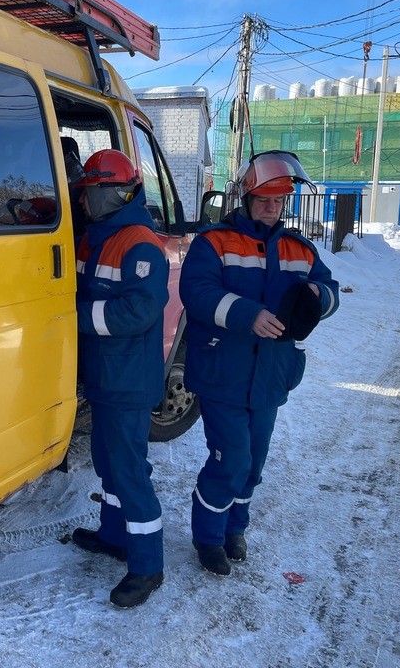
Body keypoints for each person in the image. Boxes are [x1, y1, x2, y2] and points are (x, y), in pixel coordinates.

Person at [179, 150, 339, 576]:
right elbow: (196, 291)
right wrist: (247, 314)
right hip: (223, 374)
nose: (272, 208)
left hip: (271, 375)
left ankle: (235, 528)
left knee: (255, 460)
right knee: (230, 458)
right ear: (246, 199)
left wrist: (318, 299)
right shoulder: (213, 242)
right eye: (264, 200)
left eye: (279, 201)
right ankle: (209, 537)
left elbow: (328, 288)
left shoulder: (297, 248)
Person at [70, 149, 169, 608]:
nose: (83, 200)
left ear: (114, 192)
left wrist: (76, 317)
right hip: (106, 379)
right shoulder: (95, 237)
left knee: (129, 472)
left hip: (128, 382)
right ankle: (115, 535)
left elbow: (141, 310)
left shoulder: (139, 242)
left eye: (90, 192)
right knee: (109, 465)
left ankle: (148, 565)